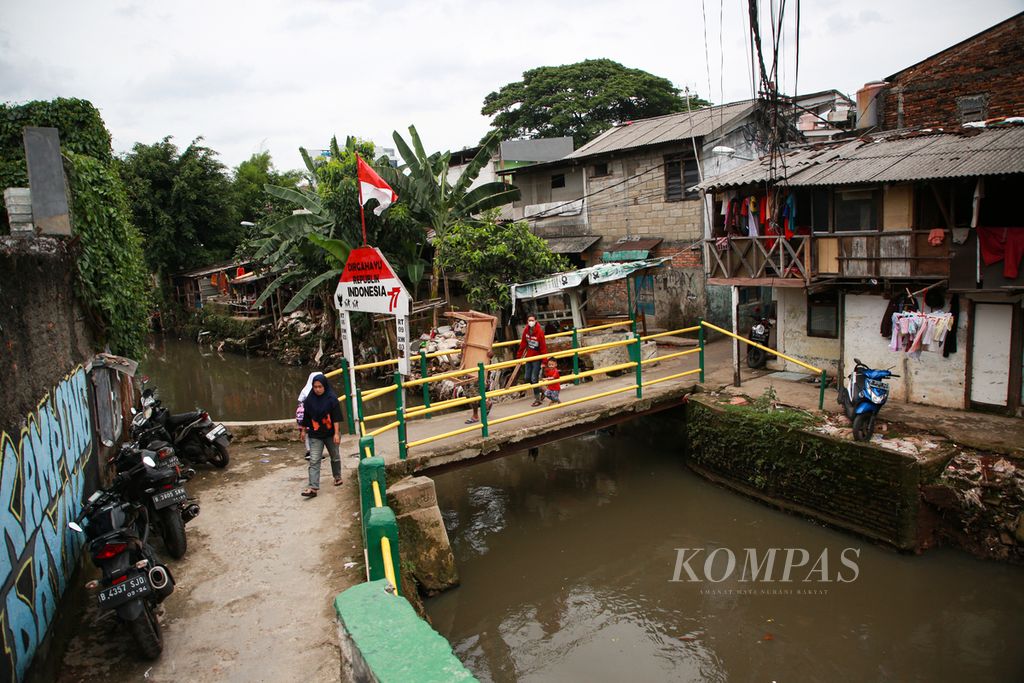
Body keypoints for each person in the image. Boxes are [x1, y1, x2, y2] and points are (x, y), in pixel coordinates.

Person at [299, 374, 343, 497]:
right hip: (315, 434)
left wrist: (336, 434)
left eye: (320, 387)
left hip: (330, 433)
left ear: (325, 386)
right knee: (314, 460)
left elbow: (336, 418)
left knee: (335, 456)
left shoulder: (332, 399)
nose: (317, 389)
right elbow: (306, 417)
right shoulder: (309, 400)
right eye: (315, 387)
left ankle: (337, 476)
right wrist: (303, 431)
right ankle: (313, 487)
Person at [518, 314, 547, 406]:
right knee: (527, 378)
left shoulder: (539, 332)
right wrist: (519, 357)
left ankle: (537, 399)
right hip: (529, 357)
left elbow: (543, 347)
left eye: (532, 320)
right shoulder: (526, 330)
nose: (530, 322)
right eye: (529, 320)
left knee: (534, 379)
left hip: (537, 358)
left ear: (535, 321)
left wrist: (544, 361)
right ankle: (542, 389)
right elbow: (523, 343)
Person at [465, 351, 495, 424]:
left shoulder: (485, 340)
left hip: (479, 370)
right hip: (469, 367)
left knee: (473, 393)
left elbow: (490, 353)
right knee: (468, 393)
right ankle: (486, 403)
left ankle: (475, 416)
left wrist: (490, 355)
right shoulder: (471, 339)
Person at [296, 371, 319, 461]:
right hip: (310, 418)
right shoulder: (313, 391)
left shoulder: (304, 391)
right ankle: (312, 452)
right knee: (313, 435)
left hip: (303, 418)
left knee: (307, 435)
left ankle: (309, 451)